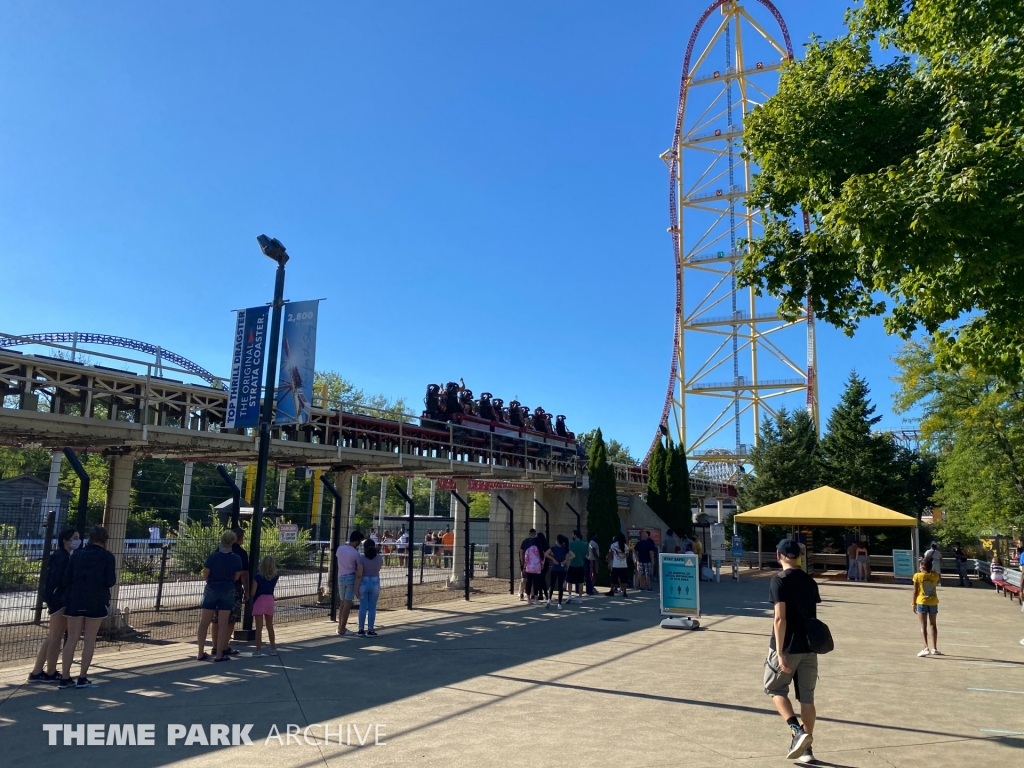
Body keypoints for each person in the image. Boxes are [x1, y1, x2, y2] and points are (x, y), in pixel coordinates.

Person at [764, 538, 821, 763]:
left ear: (778, 555)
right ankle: (807, 750)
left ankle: (797, 731)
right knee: (807, 698)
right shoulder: (809, 581)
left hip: (788, 645)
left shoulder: (779, 581)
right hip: (809, 646)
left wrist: (779, 652)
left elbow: (780, 618)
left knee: (774, 688)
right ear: (799, 556)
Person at [59, 525, 117, 688]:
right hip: (96, 600)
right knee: (90, 640)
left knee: (72, 639)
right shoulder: (107, 556)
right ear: (104, 540)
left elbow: (67, 578)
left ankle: (65, 677)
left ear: (89, 538)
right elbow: (110, 581)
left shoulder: (77, 554)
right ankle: (82, 677)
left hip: (76, 599)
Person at [28, 528, 79, 683]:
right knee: (56, 637)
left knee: (52, 636)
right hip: (59, 600)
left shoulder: (60, 556)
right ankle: (50, 672)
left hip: (55, 599)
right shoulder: (63, 558)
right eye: (74, 538)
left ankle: (37, 671)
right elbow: (59, 581)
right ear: (65, 540)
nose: (77, 540)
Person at [196, 530, 243, 663]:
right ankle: (219, 654)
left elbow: (205, 574)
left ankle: (200, 652)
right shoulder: (236, 558)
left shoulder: (212, 557)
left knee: (204, 622)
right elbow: (236, 577)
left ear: (221, 541)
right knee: (223, 623)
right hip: (227, 589)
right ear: (233, 542)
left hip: (211, 588)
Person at [213, 525, 249, 657]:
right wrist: (247, 590)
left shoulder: (218, 551)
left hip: (216, 587)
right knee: (230, 619)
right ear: (239, 539)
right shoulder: (241, 554)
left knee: (216, 619)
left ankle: (215, 646)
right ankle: (224, 646)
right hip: (234, 588)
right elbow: (243, 574)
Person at [336, 530, 364, 636]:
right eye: (359, 542)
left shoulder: (340, 549)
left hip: (340, 576)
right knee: (348, 603)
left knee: (342, 602)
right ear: (356, 541)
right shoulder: (356, 553)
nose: (359, 544)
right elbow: (358, 567)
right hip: (350, 577)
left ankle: (339, 626)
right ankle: (343, 628)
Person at [251, 554, 279, 656]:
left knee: (259, 627)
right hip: (269, 599)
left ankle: (258, 650)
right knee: (269, 626)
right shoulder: (275, 577)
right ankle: (273, 648)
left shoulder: (257, 577)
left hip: (259, 600)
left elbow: (253, 592)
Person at [912, 556, 941, 657]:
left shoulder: (917, 576)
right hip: (933, 602)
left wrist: (913, 604)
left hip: (922, 602)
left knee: (923, 625)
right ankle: (934, 648)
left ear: (923, 567)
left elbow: (915, 591)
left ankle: (925, 648)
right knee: (933, 624)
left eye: (920, 566)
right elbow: (937, 577)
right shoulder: (935, 576)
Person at [355, 538, 383, 636]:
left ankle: (361, 629)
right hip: (375, 581)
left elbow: (359, 575)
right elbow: (378, 569)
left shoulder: (361, 559)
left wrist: (356, 588)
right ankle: (370, 629)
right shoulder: (379, 558)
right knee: (372, 607)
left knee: (363, 607)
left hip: (364, 582)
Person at [546, 534, 570, 608]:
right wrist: (566, 560)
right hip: (562, 569)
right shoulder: (565, 548)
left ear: (557, 540)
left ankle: (549, 600)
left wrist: (553, 559)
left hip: (554, 568)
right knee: (560, 586)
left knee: (552, 585)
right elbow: (573, 555)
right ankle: (559, 604)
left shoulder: (553, 548)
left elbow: (545, 553)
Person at [566, 530, 588, 604]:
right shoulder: (585, 544)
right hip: (581, 564)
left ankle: (569, 595)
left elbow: (570, 554)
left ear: (575, 535)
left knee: (569, 581)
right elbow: (586, 555)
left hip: (572, 564)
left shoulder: (571, 544)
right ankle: (579, 598)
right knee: (581, 582)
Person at [607, 532, 630, 598]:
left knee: (614, 579)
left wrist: (609, 562)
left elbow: (610, 554)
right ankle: (624, 592)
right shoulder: (626, 546)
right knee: (624, 580)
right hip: (624, 565)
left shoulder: (613, 545)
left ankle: (612, 591)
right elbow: (627, 555)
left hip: (616, 565)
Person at [523, 536, 545, 605]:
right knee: (536, 584)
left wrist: (524, 568)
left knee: (529, 584)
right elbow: (542, 560)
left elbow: (526, 560)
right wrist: (542, 565)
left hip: (529, 569)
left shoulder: (528, 549)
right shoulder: (540, 550)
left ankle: (528, 599)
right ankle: (536, 599)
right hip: (537, 569)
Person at [519, 528, 537, 600]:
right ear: (535, 534)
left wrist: (522, 562)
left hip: (525, 563)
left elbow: (521, 552)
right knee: (532, 580)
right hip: (534, 564)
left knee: (524, 579)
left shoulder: (524, 541)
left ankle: (521, 593)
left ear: (529, 533)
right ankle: (532, 594)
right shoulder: (536, 542)